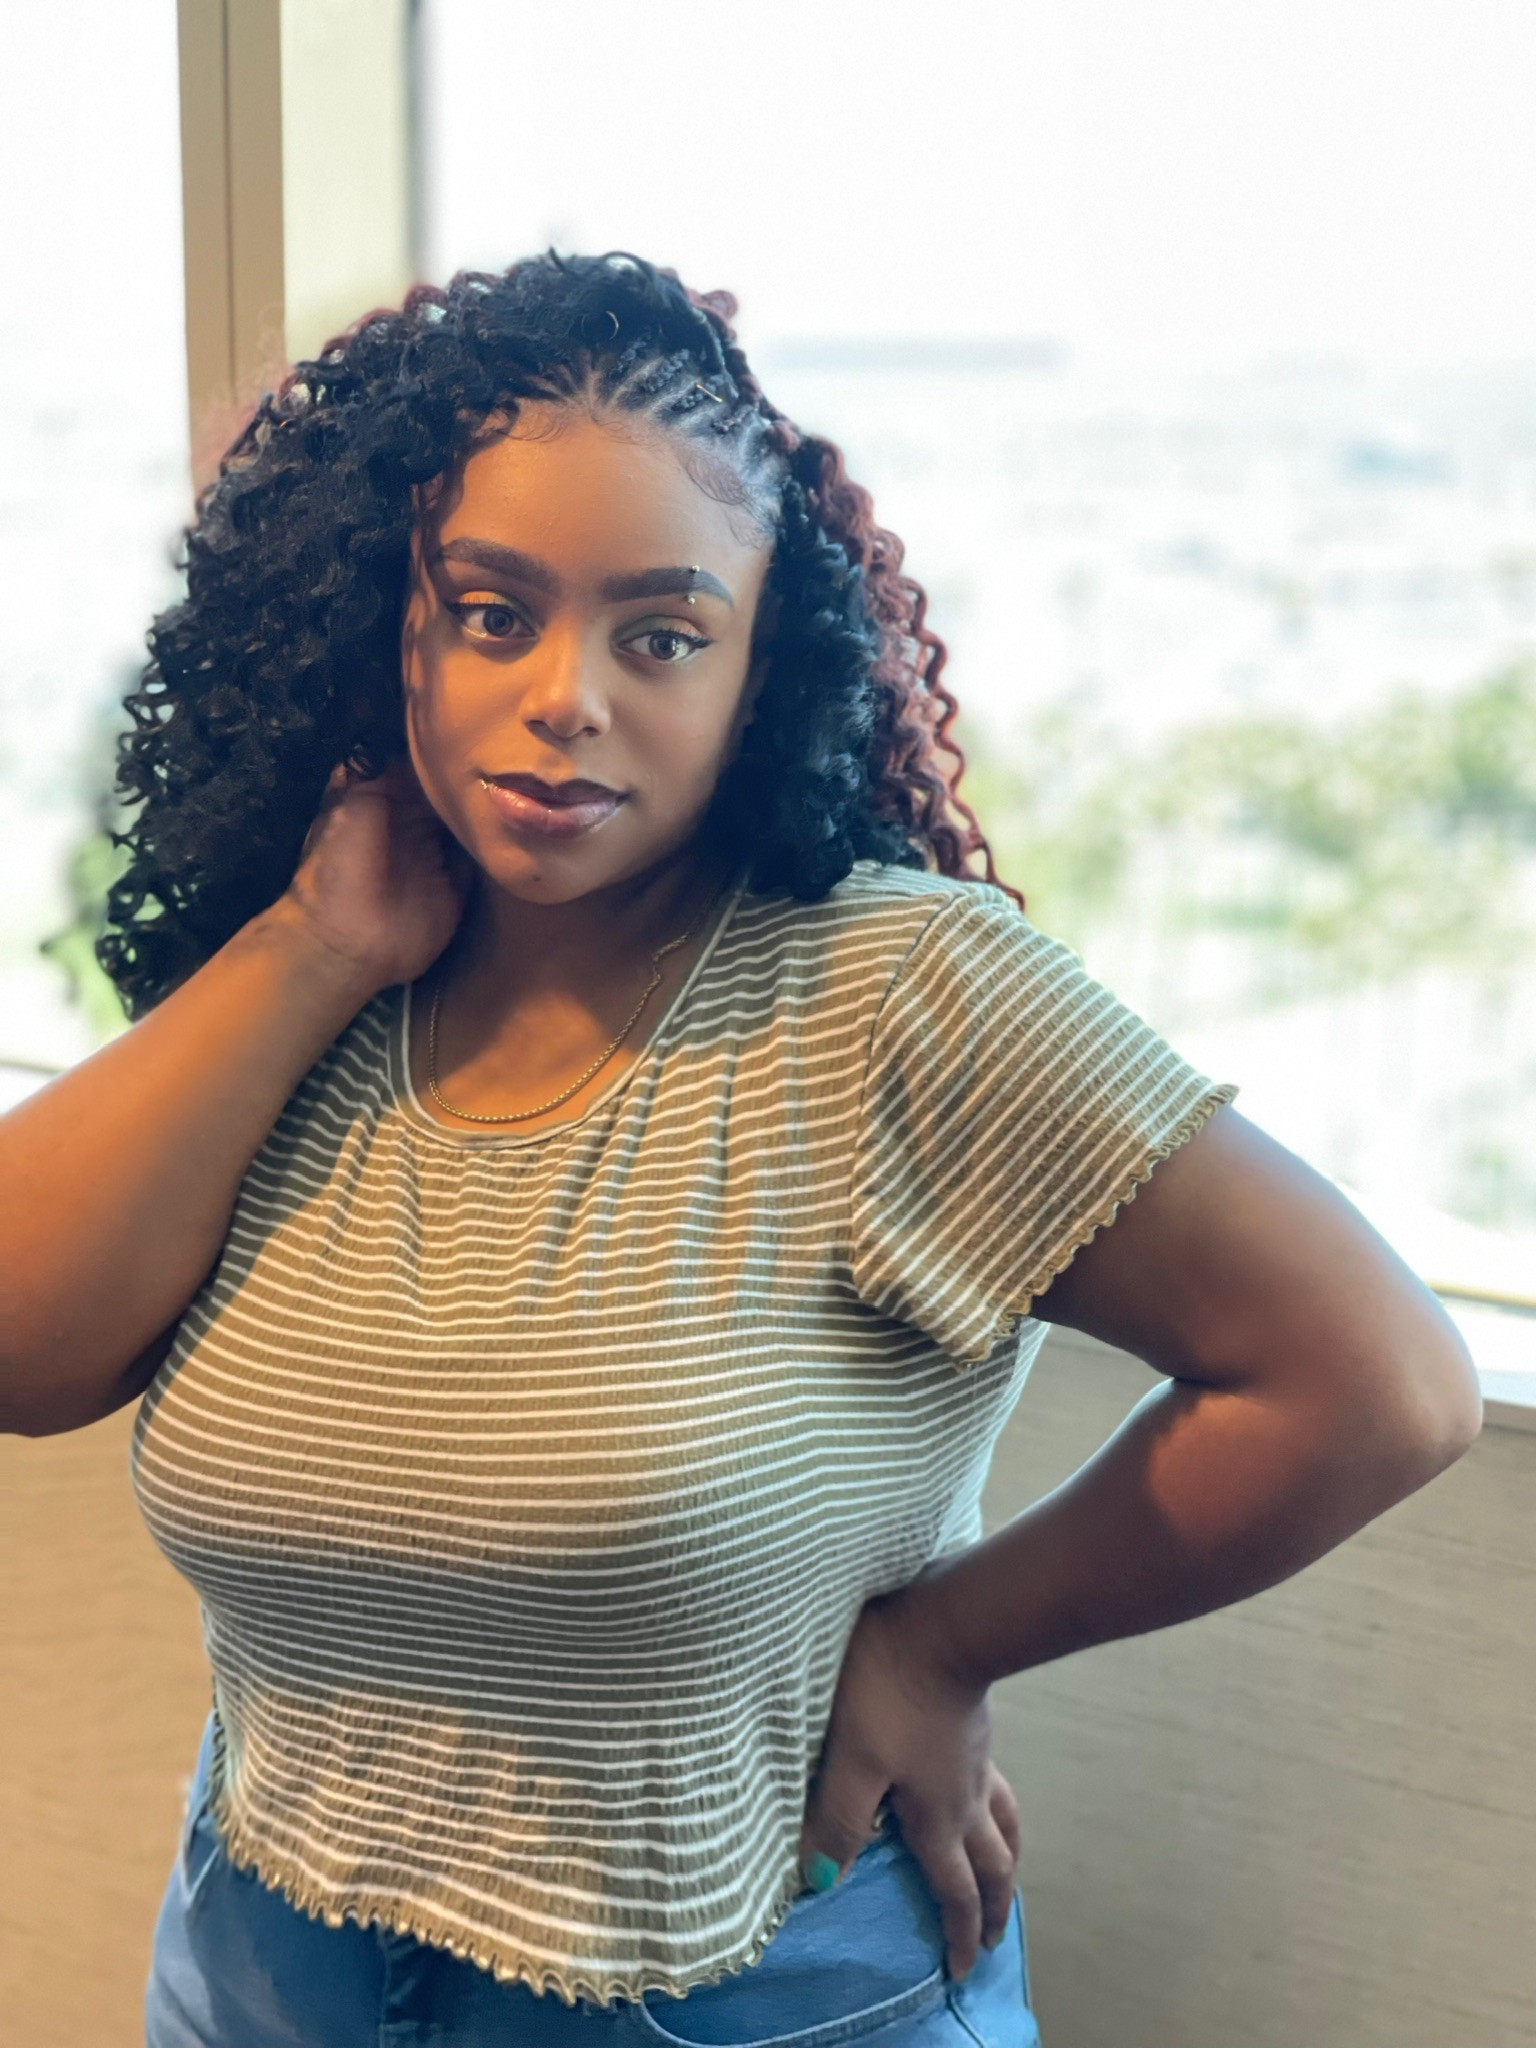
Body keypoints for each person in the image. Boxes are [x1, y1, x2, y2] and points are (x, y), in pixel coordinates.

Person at [1, 250, 1480, 2048]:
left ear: (759, 670)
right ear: (385, 625)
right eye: (491, 613)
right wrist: (315, 943)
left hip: (728, 1988)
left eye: (661, 634)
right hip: (264, 1953)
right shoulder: (324, 973)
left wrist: (940, 1648)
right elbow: (21, 1348)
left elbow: (1380, 1383)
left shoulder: (894, 995)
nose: (566, 695)